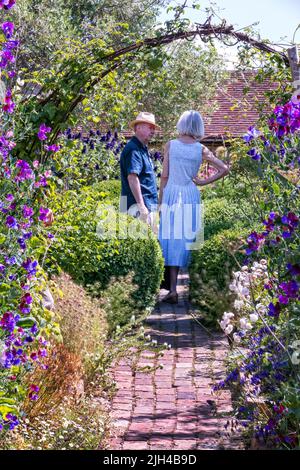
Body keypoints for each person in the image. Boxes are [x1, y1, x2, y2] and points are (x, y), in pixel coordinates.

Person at [158, 110, 229, 304]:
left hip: (172, 192)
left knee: (171, 238)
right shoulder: (200, 149)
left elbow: (164, 176)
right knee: (188, 239)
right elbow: (224, 168)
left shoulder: (171, 145)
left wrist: (160, 201)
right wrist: (202, 182)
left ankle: (173, 289)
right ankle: (195, 288)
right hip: (190, 193)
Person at [119, 112, 160, 227]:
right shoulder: (133, 150)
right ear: (138, 127)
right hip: (137, 208)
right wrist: (142, 206)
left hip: (147, 205)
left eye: (154, 128)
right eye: (150, 127)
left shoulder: (141, 148)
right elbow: (132, 178)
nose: (153, 131)